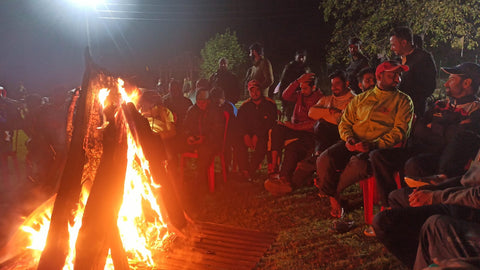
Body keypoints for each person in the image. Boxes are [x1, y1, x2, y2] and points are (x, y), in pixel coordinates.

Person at [315, 60, 414, 218]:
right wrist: (348, 139)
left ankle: (333, 194)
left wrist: (374, 144)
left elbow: (400, 131)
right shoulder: (361, 99)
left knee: (359, 165)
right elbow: (345, 122)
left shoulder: (403, 101)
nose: (398, 79)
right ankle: (335, 198)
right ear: (379, 76)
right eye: (393, 75)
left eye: (399, 75)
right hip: (353, 141)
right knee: (324, 159)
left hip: (378, 147)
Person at [373, 149, 480, 269]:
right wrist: (434, 187)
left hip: (469, 211)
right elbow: (467, 180)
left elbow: (476, 197)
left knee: (389, 222)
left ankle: (426, 262)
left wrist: (435, 196)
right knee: (396, 197)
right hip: (458, 197)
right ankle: (422, 261)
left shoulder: (466, 133)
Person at [404, 62, 480, 182]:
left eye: (452, 80)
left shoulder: (476, 109)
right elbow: (418, 128)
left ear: (466, 83)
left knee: (414, 165)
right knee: (387, 158)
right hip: (428, 151)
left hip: (454, 162)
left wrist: (432, 127)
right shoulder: (441, 104)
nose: (446, 84)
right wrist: (446, 131)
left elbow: (459, 136)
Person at [264, 73, 322, 195]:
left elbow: (315, 123)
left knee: (293, 147)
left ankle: (284, 178)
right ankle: (274, 166)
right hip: (295, 129)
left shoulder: (319, 99)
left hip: (308, 133)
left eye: (305, 88)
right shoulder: (300, 95)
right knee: (277, 128)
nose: (302, 91)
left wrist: (295, 126)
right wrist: (297, 81)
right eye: (300, 88)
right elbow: (285, 95)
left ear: (314, 87)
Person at [390, 26, 437, 116]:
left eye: (393, 45)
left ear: (404, 42)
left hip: (414, 110)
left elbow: (429, 87)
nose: (391, 48)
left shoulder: (423, 59)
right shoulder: (396, 60)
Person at [236, 80, 277, 181]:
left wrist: (257, 135)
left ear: (261, 90)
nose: (255, 93)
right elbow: (240, 124)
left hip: (263, 134)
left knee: (262, 145)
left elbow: (270, 123)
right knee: (238, 142)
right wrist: (245, 135)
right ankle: (244, 170)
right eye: (252, 91)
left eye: (257, 90)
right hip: (248, 134)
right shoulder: (245, 106)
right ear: (249, 92)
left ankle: (250, 170)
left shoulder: (269, 104)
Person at [182, 88, 225, 183]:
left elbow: (218, 131)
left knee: (204, 152)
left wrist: (205, 138)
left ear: (208, 101)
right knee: (176, 145)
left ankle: (201, 181)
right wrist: (189, 136)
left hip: (211, 142)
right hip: (195, 140)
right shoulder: (192, 110)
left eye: (204, 102)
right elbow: (186, 126)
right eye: (199, 102)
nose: (201, 104)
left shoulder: (215, 111)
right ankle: (176, 180)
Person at [277, 50, 311, 121]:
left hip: (301, 96)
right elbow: (283, 81)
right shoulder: (289, 67)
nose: (301, 59)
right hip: (290, 95)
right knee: (290, 116)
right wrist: (281, 96)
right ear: (296, 57)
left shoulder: (306, 69)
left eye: (303, 57)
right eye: (299, 56)